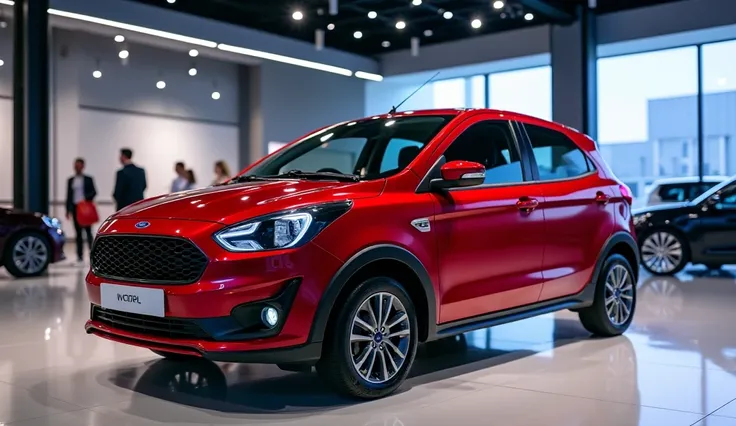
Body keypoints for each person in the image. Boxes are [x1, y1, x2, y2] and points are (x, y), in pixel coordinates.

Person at [65, 158, 97, 264]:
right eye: (75, 165)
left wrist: (85, 199)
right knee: (78, 233)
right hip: (75, 208)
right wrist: (68, 209)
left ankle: (92, 254)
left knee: (88, 232)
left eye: (79, 165)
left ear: (83, 166)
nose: (77, 167)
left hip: (85, 208)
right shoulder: (71, 180)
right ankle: (79, 256)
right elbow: (68, 196)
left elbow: (94, 192)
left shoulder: (88, 179)